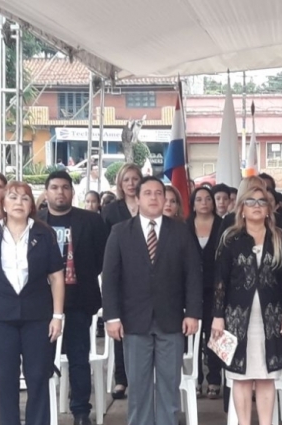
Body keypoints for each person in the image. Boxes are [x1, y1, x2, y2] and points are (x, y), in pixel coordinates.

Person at [102, 176, 202, 425]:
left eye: (159, 193)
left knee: (170, 387)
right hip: (134, 322)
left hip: (172, 320)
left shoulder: (180, 231)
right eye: (148, 193)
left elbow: (193, 274)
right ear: (137, 198)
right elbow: (110, 278)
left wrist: (192, 312)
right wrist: (112, 317)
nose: (154, 198)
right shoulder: (120, 232)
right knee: (138, 388)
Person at [0, 181, 65, 425]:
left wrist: (57, 316)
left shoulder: (45, 234)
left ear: (32, 204)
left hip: (37, 316)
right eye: (12, 197)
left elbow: (56, 277)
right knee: (5, 379)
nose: (18, 203)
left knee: (38, 377)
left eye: (25, 198)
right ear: (3, 203)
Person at [212, 185, 282, 425]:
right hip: (236, 319)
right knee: (240, 377)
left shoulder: (279, 238)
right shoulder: (230, 238)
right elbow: (220, 280)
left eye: (262, 202)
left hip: (272, 319)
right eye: (250, 202)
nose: (256, 206)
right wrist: (217, 315)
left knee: (266, 376)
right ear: (242, 209)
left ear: (269, 209)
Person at [38, 172, 107, 425]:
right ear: (46, 192)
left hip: (79, 300)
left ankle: (80, 411)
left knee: (79, 357)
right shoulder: (35, 222)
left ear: (72, 192)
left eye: (65, 187)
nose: (60, 192)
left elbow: (102, 258)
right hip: (41, 303)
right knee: (40, 358)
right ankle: (42, 410)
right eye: (55, 187)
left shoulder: (91, 220)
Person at [100, 163, 143, 399]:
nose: (131, 183)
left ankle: (141, 377)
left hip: (147, 276)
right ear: (120, 183)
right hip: (120, 275)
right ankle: (121, 379)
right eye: (126, 179)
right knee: (119, 327)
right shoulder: (111, 210)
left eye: (135, 179)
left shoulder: (149, 205)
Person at [186, 186, 224, 399]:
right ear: (193, 204)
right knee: (192, 335)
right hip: (190, 289)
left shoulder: (222, 224)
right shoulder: (184, 226)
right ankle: (196, 378)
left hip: (216, 288)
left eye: (208, 199)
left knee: (215, 334)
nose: (204, 203)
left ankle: (215, 379)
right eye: (199, 199)